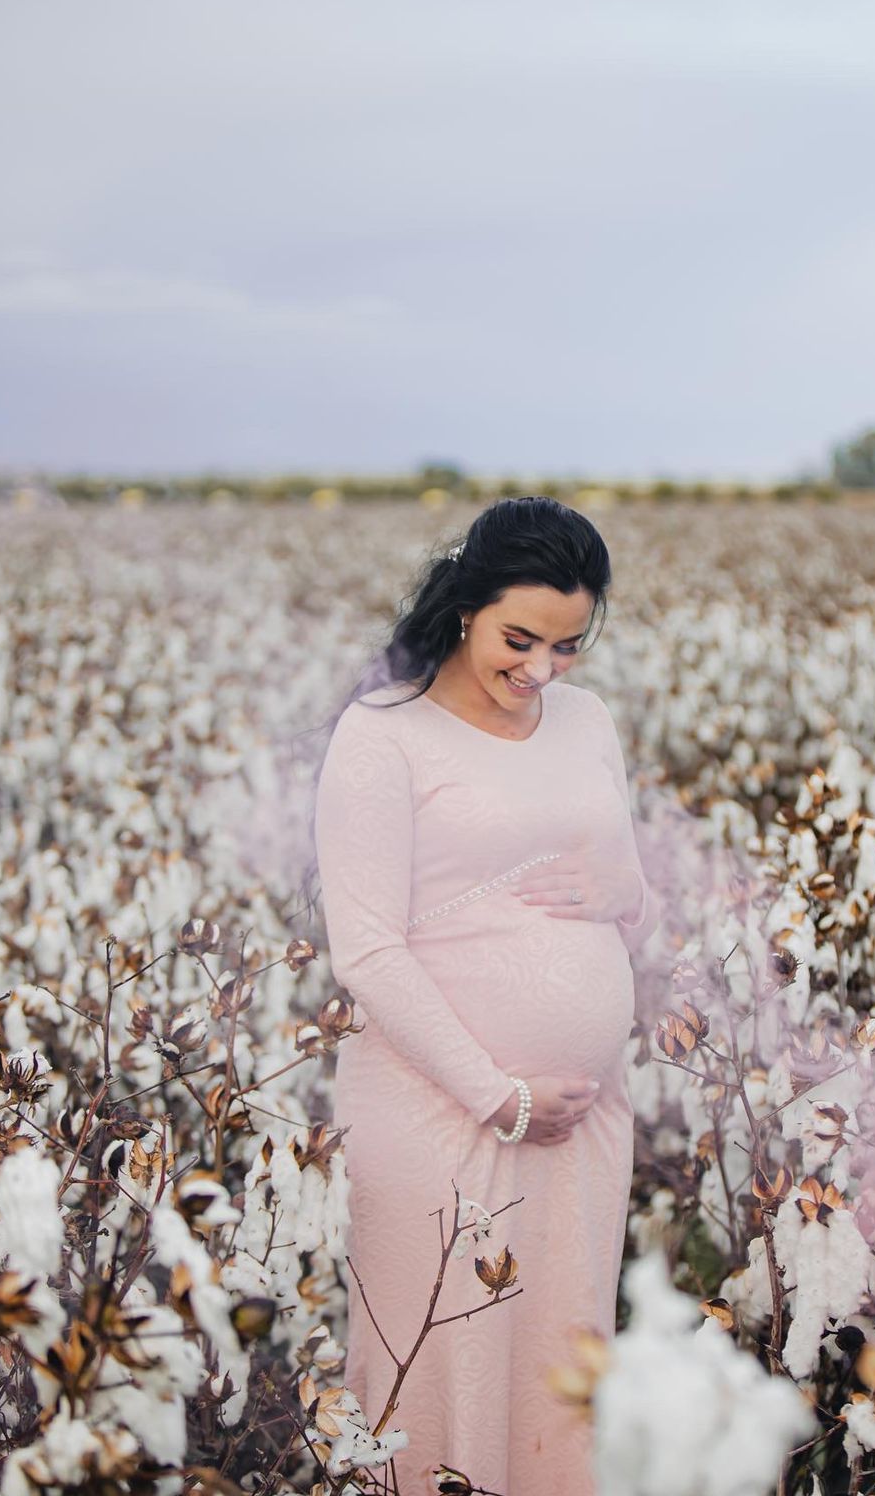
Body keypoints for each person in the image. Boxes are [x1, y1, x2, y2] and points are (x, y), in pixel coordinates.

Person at [313, 495, 660, 1495]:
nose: (543, 669)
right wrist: (498, 1098)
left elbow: (628, 895)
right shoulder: (383, 735)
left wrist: (625, 891)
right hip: (442, 1111)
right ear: (465, 606)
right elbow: (367, 952)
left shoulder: (587, 722)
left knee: (559, 1366)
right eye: (520, 639)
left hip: (581, 1124)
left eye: (568, 645)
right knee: (442, 1367)